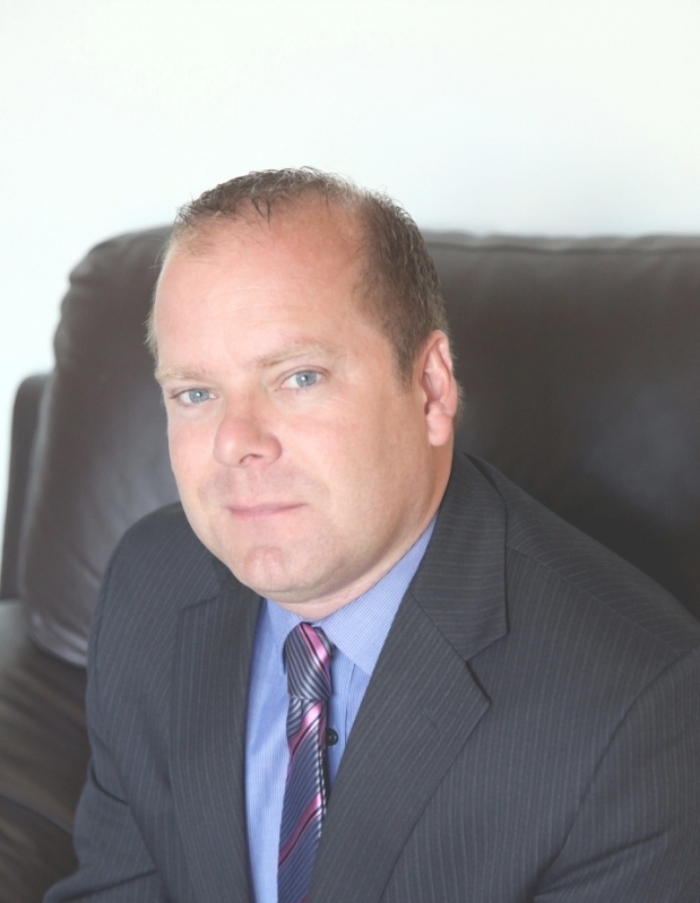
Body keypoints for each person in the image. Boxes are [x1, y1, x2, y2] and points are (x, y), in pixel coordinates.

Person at [47, 169, 700, 903]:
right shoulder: (150, 583)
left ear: (430, 390)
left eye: (299, 377)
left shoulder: (639, 708)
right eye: (195, 393)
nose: (235, 441)